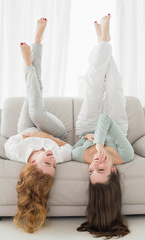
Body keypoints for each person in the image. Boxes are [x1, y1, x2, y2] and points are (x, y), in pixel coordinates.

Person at [4, 18, 72, 233]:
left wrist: (31, 135)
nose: (53, 161)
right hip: (54, 131)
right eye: (54, 167)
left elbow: (12, 141)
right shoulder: (57, 156)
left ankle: (36, 45)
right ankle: (29, 60)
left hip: (26, 128)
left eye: (47, 163)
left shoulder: (17, 152)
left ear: (32, 162)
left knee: (35, 91)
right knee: (36, 109)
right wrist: (48, 137)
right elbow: (67, 147)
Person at [72, 14, 134, 238]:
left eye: (91, 172)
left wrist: (92, 143)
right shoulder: (125, 154)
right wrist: (98, 142)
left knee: (94, 82)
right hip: (117, 122)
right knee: (115, 82)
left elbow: (75, 149)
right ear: (114, 170)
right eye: (102, 169)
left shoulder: (85, 157)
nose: (95, 164)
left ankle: (103, 42)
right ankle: (103, 42)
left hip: (86, 124)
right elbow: (106, 120)